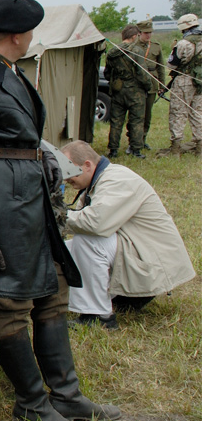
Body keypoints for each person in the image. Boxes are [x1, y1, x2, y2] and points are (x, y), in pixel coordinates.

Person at [0, 0, 120, 421]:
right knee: (11, 302)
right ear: (18, 36)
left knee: (53, 291)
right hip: (1, 206)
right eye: (30, 32)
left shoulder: (6, 70)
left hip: (27, 200)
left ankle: (67, 395)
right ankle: (32, 405)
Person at [61, 140, 195, 328]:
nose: (66, 180)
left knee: (87, 241)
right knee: (65, 249)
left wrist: (54, 215)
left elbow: (95, 223)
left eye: (69, 172)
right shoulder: (98, 181)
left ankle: (99, 316)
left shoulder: (117, 179)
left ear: (87, 165)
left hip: (151, 267)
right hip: (139, 256)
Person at [157, 13, 202, 156]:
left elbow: (171, 64)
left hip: (184, 81)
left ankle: (175, 148)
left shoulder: (183, 44)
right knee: (198, 113)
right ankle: (200, 148)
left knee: (178, 113)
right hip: (199, 81)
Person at [104, 24, 149, 159]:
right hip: (135, 92)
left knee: (116, 121)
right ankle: (136, 149)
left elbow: (107, 73)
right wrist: (147, 86)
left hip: (118, 90)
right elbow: (142, 73)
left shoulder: (112, 52)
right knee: (136, 120)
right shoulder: (136, 51)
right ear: (134, 36)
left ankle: (113, 150)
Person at [133, 20, 166, 149]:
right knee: (136, 114)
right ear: (139, 33)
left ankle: (143, 139)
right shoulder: (133, 46)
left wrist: (162, 85)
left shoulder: (156, 46)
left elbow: (161, 67)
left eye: (150, 32)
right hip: (137, 84)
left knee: (147, 115)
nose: (149, 35)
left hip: (152, 83)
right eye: (146, 33)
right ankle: (134, 140)